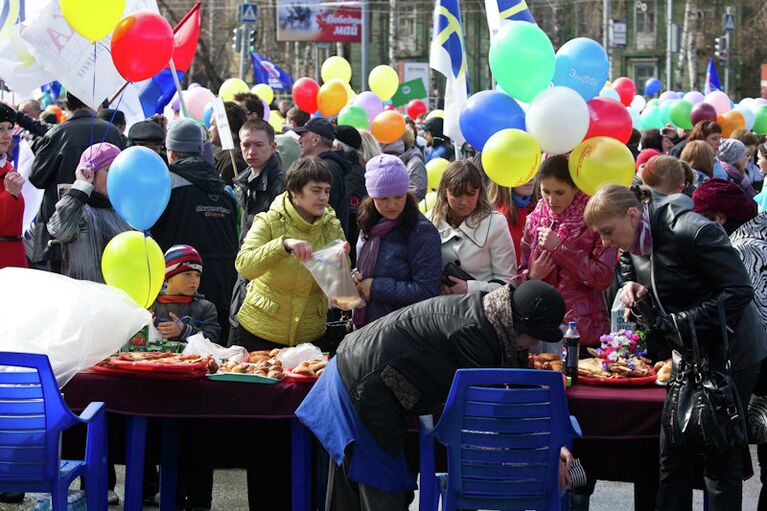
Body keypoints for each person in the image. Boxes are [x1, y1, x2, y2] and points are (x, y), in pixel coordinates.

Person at [296, 280, 572, 511]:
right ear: (518, 326)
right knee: (380, 486)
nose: (535, 344)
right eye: (533, 336)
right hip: (362, 382)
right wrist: (545, 452)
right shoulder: (474, 333)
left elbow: (514, 387)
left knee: (363, 486)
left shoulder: (495, 316)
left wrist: (551, 445)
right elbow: (496, 411)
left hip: (363, 370)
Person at [583, 184, 767, 511]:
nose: (605, 243)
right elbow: (654, 288)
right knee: (672, 455)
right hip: (688, 353)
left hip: (731, 353)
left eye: (608, 232)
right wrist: (636, 294)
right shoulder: (631, 245)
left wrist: (681, 322)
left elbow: (739, 291)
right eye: (600, 234)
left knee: (719, 458)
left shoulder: (691, 230)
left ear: (633, 214)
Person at [233, 156, 348, 351]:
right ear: (295, 191)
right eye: (316, 190)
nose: (323, 198)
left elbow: (338, 289)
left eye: (327, 191)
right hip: (259, 331)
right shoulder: (269, 220)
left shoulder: (332, 226)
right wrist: (283, 245)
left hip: (310, 336)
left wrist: (339, 261)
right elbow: (244, 265)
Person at [512, 154, 616, 347]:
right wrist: (533, 277)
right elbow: (520, 272)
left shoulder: (595, 218)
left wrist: (560, 249)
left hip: (582, 327)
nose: (552, 200)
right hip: (540, 325)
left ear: (575, 188)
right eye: (546, 191)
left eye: (560, 192)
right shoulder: (535, 218)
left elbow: (604, 277)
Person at [151, 118, 239, 343]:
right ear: (200, 150)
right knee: (214, 350)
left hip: (180, 285)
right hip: (224, 281)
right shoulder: (224, 188)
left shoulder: (164, 184)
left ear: (171, 152)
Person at [27, 93, 124, 272]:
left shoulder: (58, 132)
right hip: (72, 224)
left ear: (69, 104)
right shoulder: (111, 131)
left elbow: (37, 177)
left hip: (64, 237)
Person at [352, 154, 441, 328]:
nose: (392, 205)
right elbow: (369, 265)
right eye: (384, 198)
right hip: (366, 325)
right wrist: (354, 276)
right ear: (372, 196)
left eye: (399, 197)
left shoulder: (421, 231)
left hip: (402, 331)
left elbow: (428, 290)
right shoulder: (368, 222)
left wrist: (375, 287)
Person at [228, 119, 286, 343]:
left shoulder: (279, 186)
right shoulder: (246, 181)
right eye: (246, 145)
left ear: (272, 147)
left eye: (258, 145)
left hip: (264, 287)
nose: (251, 151)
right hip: (245, 276)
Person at [428, 160, 516, 294]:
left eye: (471, 194)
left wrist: (470, 288)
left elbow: (509, 282)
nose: (464, 201)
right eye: (456, 194)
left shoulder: (496, 223)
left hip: (483, 307)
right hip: (442, 307)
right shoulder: (430, 221)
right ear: (444, 192)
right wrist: (437, 286)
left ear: (480, 191)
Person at [46, 143, 130, 282]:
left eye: (119, 170)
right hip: (86, 297)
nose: (116, 177)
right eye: (109, 170)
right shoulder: (79, 208)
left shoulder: (124, 209)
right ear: (90, 172)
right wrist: (81, 187)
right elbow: (60, 230)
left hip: (119, 297)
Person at [151, 244, 221, 344]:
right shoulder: (152, 304)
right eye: (187, 274)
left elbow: (212, 338)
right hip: (151, 358)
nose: (194, 280)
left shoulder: (206, 308)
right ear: (169, 276)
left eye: (197, 275)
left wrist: (184, 331)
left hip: (193, 359)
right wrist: (144, 326)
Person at [295, 118, 349, 236]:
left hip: (324, 245)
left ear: (316, 140)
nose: (299, 140)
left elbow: (326, 212)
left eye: (303, 135)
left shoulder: (326, 168)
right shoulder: (328, 165)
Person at [333, 125, 367, 263]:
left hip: (347, 246)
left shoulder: (352, 174)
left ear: (339, 147)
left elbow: (353, 215)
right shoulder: (346, 168)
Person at [0, 106, 27, 270]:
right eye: (0, 128)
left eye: (9, 128)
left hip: (14, 261)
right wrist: (9, 195)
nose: (6, 135)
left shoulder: (9, 167)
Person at [487, 179, 536, 267]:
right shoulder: (493, 217)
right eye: (522, 172)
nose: (531, 178)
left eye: (533, 171)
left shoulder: (544, 210)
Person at [382, 127, 428, 201]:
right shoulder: (380, 160)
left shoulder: (414, 162)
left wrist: (391, 196)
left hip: (407, 210)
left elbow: (417, 190)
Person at [210, 101, 248, 185]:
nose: (209, 130)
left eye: (213, 125)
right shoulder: (221, 154)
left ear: (225, 126)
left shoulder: (233, 158)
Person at [731, 128, 763, 193]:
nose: (752, 148)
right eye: (747, 145)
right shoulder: (733, 164)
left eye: (753, 144)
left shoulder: (758, 159)